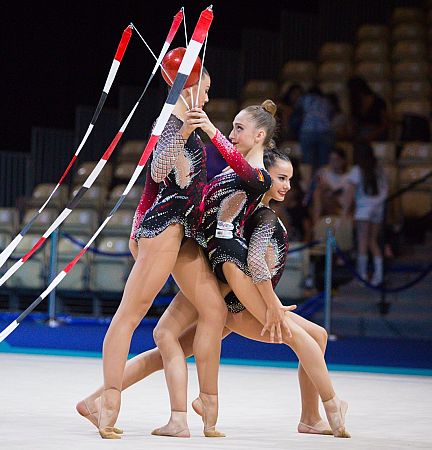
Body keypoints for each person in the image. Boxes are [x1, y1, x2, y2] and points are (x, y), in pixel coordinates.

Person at [78, 149, 350, 438]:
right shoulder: (260, 214)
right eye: (281, 178)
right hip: (233, 299)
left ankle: (96, 399)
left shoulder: (248, 203)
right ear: (264, 175)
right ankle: (326, 407)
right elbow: (250, 265)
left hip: (215, 283)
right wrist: (270, 305)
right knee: (305, 338)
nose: (287, 186)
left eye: (289, 179)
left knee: (167, 349)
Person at [97, 63, 227, 440]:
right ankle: (108, 402)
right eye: (203, 88)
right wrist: (186, 123)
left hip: (186, 232)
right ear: (186, 90)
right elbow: (156, 171)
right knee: (130, 314)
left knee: (214, 309)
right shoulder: (170, 122)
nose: (207, 96)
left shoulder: (189, 122)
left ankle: (206, 405)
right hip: (166, 229)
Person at [343, 142, 388, 286]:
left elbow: (349, 193)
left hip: (364, 210)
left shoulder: (357, 170)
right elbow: (385, 191)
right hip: (378, 209)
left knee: (362, 243)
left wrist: (344, 212)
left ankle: (362, 275)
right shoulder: (379, 169)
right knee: (373, 241)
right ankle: (378, 275)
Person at [296, 86, 336, 171]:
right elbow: (331, 115)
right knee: (324, 162)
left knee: (308, 162)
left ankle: (309, 181)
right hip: (325, 131)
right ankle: (322, 179)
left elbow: (298, 113)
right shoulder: (326, 101)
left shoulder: (304, 99)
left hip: (308, 131)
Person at [346, 77, 390, 143]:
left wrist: (371, 136)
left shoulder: (379, 102)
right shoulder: (355, 104)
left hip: (377, 132)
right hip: (361, 133)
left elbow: (385, 125)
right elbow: (353, 124)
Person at [311, 147, 348, 221]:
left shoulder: (347, 177)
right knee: (318, 192)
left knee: (323, 194)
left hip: (340, 203)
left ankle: (316, 223)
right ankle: (316, 223)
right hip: (325, 202)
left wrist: (331, 190)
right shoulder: (324, 172)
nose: (332, 162)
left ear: (342, 161)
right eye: (331, 159)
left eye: (335, 160)